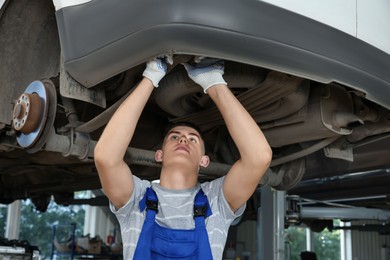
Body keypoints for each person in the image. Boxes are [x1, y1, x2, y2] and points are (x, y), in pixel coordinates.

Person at [94, 56, 272, 259]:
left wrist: (213, 82)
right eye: (175, 137)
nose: (183, 141)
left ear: (204, 161)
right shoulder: (136, 197)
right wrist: (151, 77)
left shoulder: (217, 201)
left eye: (193, 139)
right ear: (159, 155)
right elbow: (105, 157)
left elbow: (259, 157)